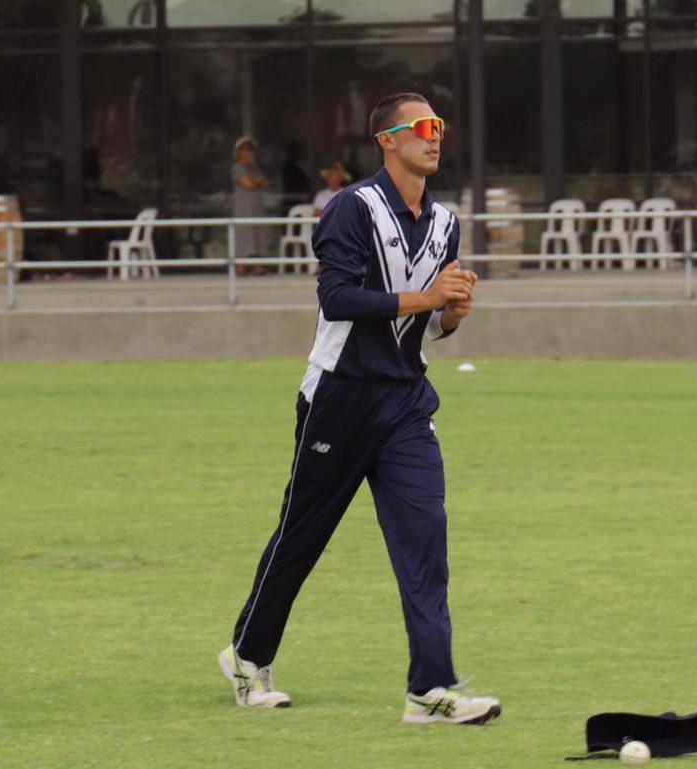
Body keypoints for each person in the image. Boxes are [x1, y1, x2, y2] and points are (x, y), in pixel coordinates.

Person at [220, 91, 501, 726]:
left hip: (405, 403)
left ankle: (431, 690)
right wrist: (426, 298)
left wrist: (450, 315)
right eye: (422, 127)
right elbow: (340, 301)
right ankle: (246, 656)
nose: (435, 137)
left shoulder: (447, 222)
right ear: (387, 140)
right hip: (340, 400)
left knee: (425, 540)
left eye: (440, 127)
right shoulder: (350, 209)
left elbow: (427, 328)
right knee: (302, 538)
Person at [230, 136, 269, 274]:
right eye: (246, 149)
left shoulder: (255, 168)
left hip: (256, 206)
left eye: (251, 149)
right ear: (239, 151)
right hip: (243, 207)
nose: (249, 152)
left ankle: (258, 266)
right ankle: (241, 266)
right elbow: (248, 184)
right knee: (243, 233)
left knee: (257, 233)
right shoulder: (237, 167)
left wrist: (255, 181)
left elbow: (264, 182)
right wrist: (255, 182)